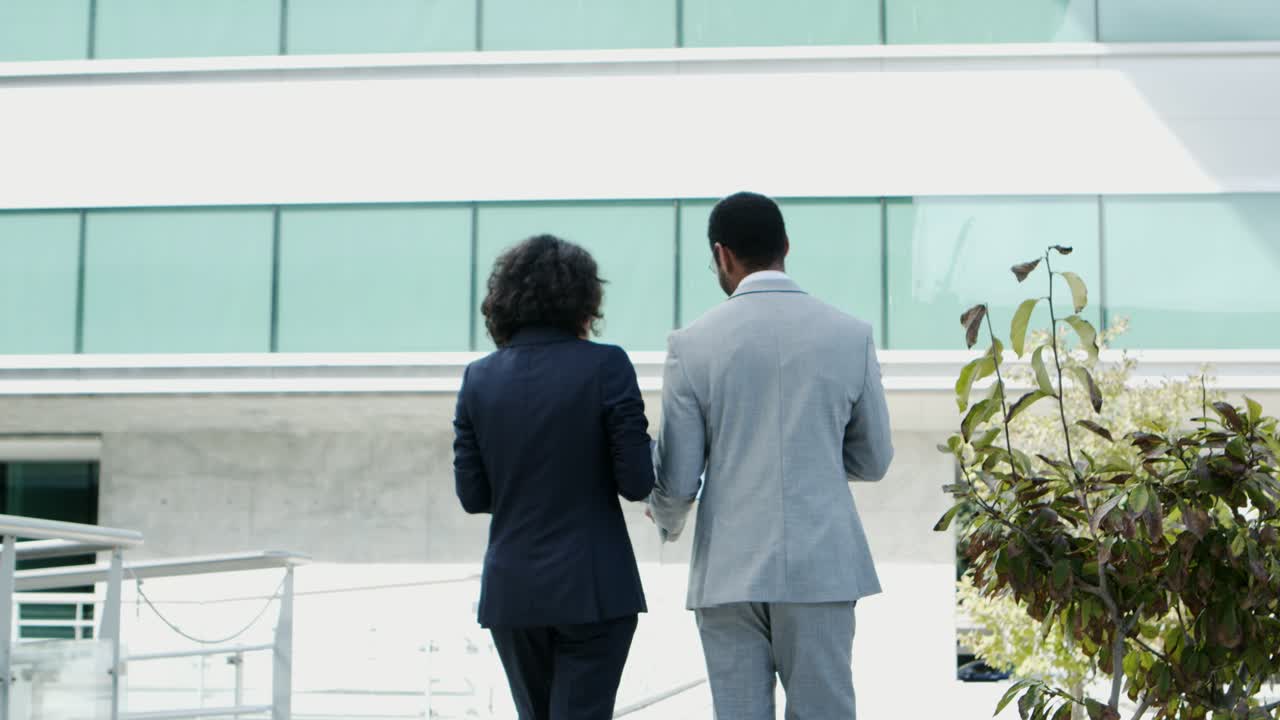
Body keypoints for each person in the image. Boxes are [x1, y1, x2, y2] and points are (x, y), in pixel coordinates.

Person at [648, 192, 894, 719]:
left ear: (721, 255)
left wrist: (666, 523)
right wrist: (819, 457)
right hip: (822, 565)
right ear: (786, 245)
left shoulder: (691, 345)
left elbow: (678, 479)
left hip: (727, 571)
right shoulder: (850, 336)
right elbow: (874, 459)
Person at [453, 234, 654, 720]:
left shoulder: (478, 378)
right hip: (595, 588)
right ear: (584, 298)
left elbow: (473, 494)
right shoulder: (607, 365)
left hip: (513, 591)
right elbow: (637, 482)